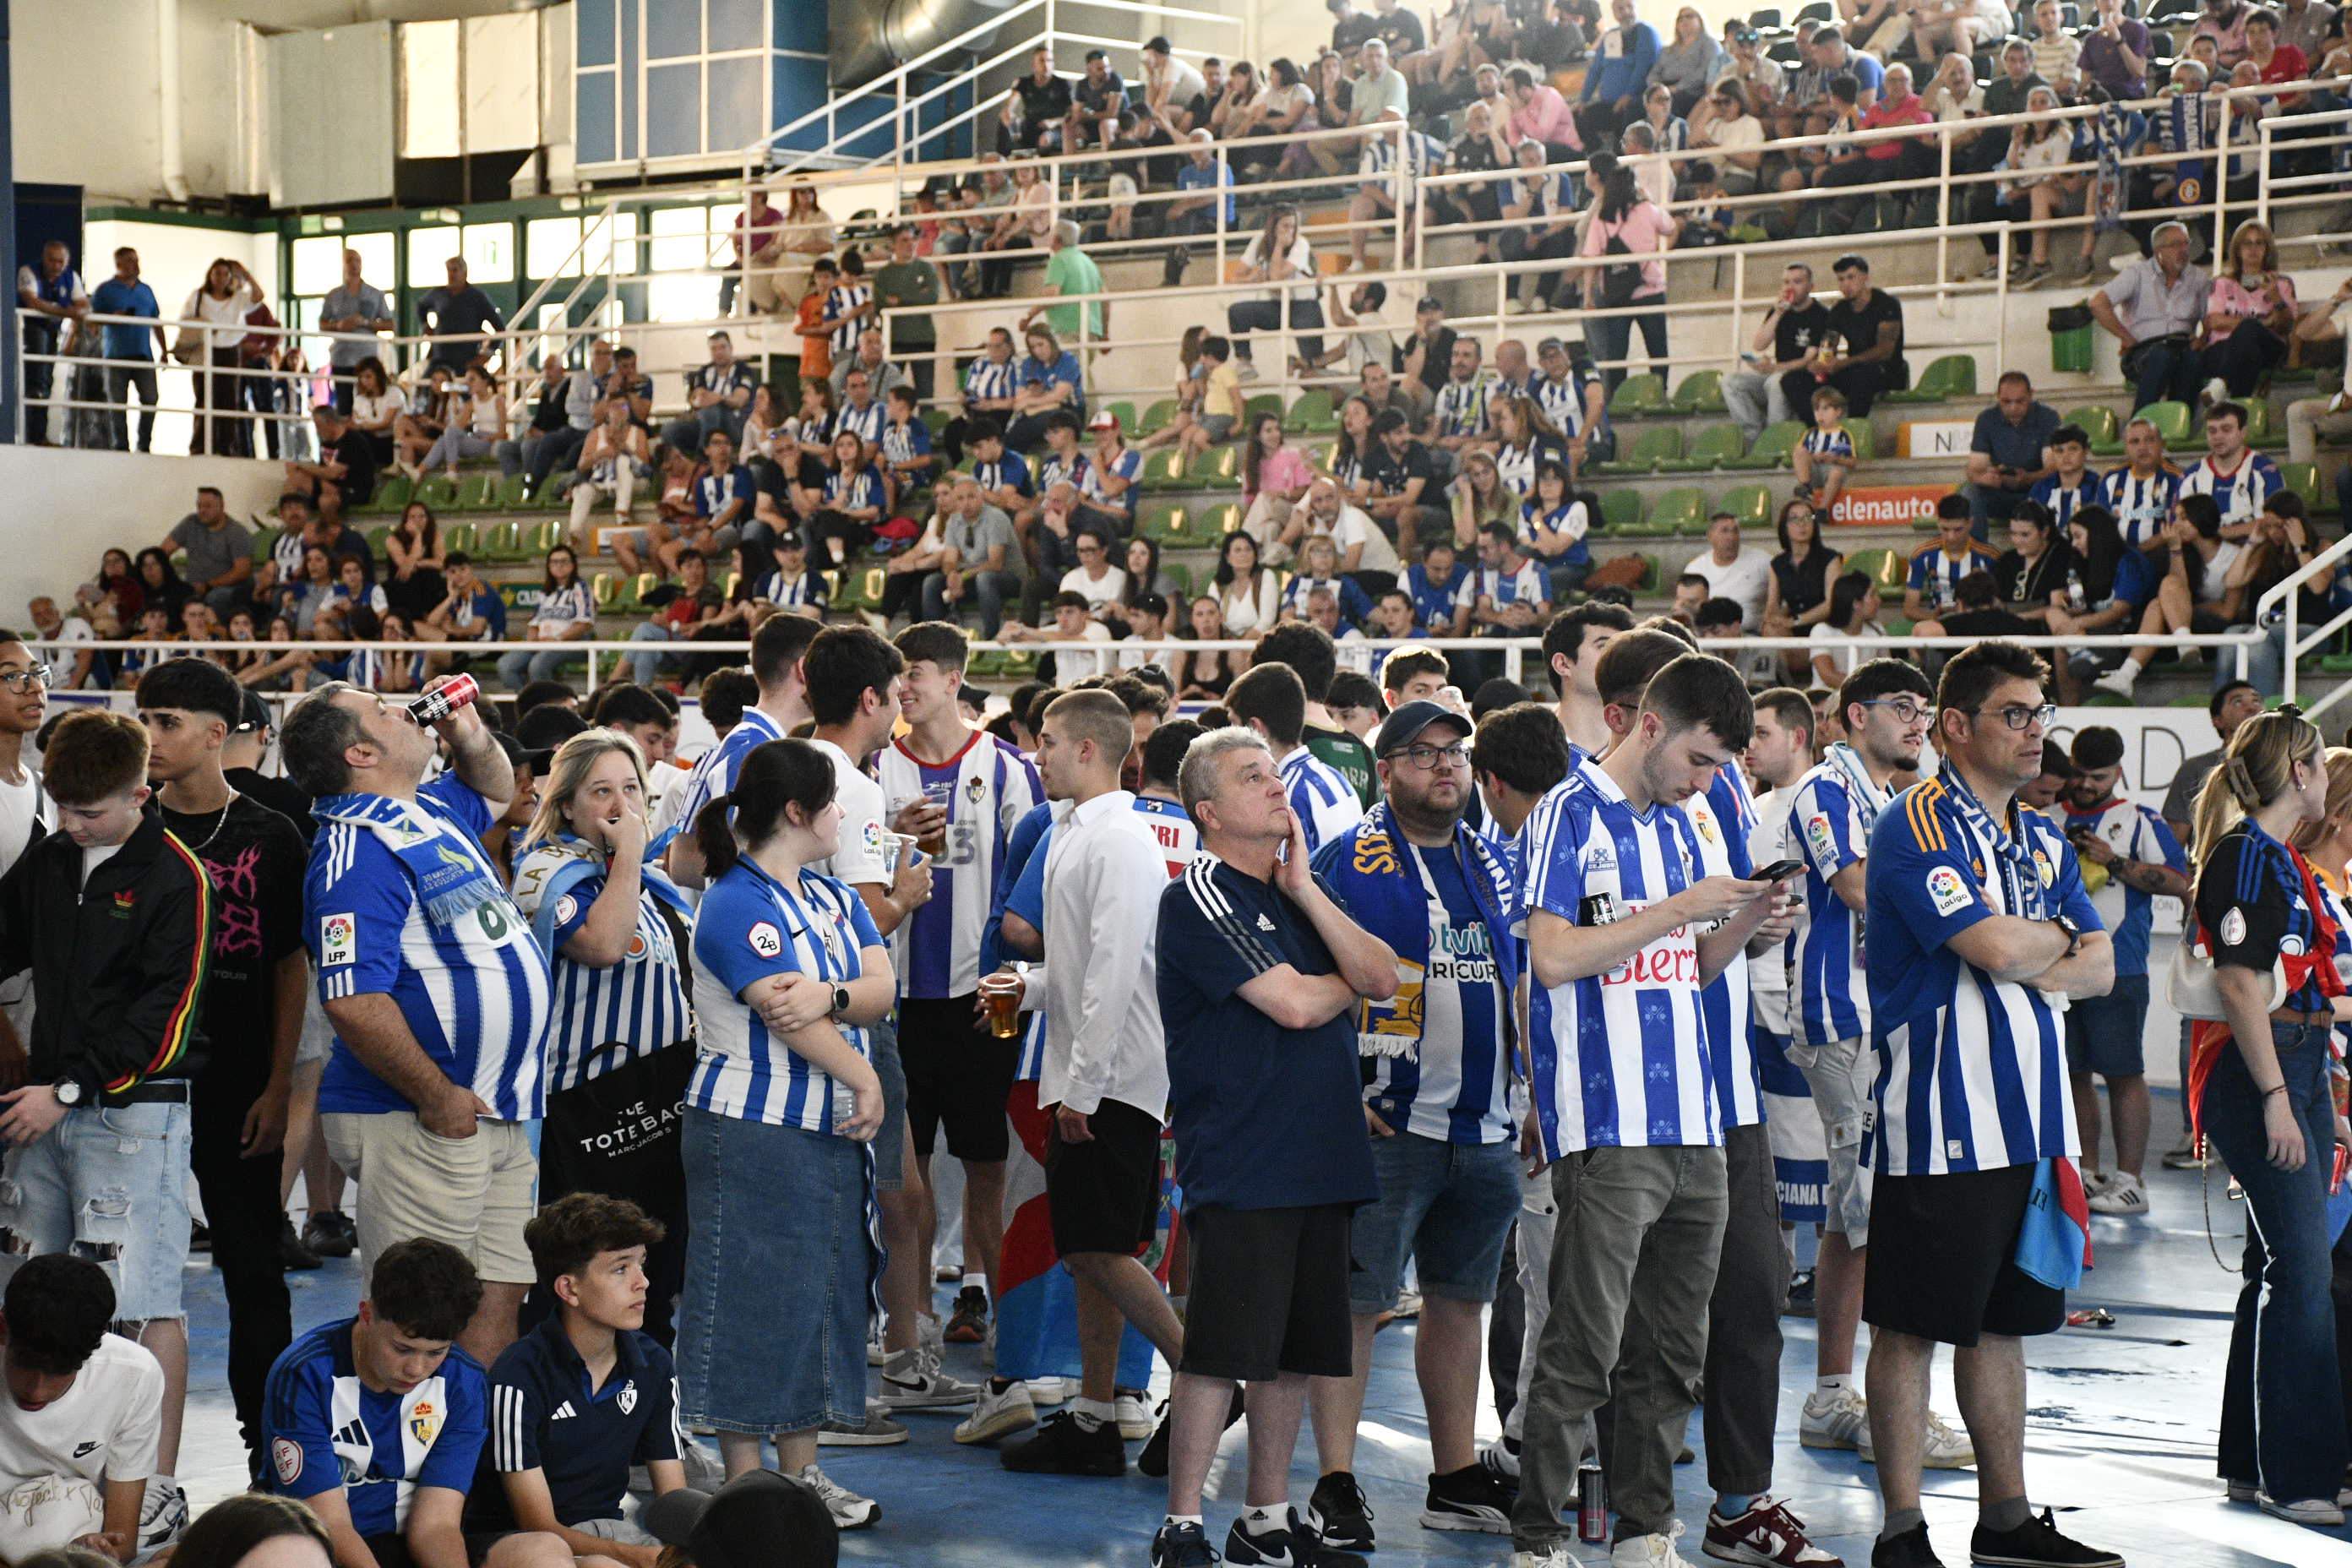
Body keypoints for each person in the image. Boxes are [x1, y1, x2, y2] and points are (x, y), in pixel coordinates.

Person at [1510, 650, 1788, 1568]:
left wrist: (1747, 916)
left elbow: (1697, 965)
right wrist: (1679, 908)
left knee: (1674, 1345)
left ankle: (1643, 1528)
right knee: (1584, 1343)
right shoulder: (1568, 810)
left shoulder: (1692, 820)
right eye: (1703, 760)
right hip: (1609, 1114)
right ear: (1651, 725)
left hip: (1696, 1115)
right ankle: (1540, 1532)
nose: (1709, 782)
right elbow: (1549, 956)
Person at [1862, 640, 2119, 1568]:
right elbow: (2002, 953)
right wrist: (2050, 937)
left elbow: (2102, 965)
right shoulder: (1918, 824)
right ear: (1956, 725)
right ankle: (1901, 1528)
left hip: (2030, 1117)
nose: (2035, 730)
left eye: (2040, 712)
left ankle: (2004, 1518)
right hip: (1941, 1116)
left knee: (2005, 1320)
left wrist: (2038, 940)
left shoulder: (2039, 836)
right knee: (1914, 1322)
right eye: (2016, 712)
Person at [1148, 727, 1398, 1568]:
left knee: (1292, 1353)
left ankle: (1265, 1518)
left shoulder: (1300, 891)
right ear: (1210, 810)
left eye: (1275, 772)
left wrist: (1306, 889)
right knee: (1223, 1346)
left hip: (1321, 1153)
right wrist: (1344, 989)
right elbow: (1296, 1003)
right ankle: (1182, 1522)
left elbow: (1385, 976)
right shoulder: (1200, 894)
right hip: (1249, 1155)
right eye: (1253, 777)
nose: (1275, 786)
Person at [1304, 701, 1523, 1547]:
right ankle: (1335, 1478)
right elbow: (1299, 977)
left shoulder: (1491, 859)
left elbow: (1522, 978)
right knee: (1357, 1306)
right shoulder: (1347, 862)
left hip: (1487, 1123)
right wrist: (1337, 1087)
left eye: (1454, 752)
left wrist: (1530, 1097)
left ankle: (1454, 1472)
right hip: (1389, 1124)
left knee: (1460, 1301)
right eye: (1423, 753)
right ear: (1385, 768)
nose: (1445, 766)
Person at [283, 679, 550, 1366]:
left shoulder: (423, 811)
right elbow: (352, 1000)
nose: (402, 708)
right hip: (423, 1120)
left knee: (498, 1295)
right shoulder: (353, 853)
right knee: (416, 1319)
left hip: (492, 1110)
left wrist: (465, 732)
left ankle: (475, 1463)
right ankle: (399, 1467)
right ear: (362, 753)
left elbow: (493, 787)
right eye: (379, 709)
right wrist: (437, 1095)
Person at [0, 707, 206, 1550]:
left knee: (131, 1299)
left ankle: (143, 1492)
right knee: (23, 1278)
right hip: (43, 1104)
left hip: (134, 1107)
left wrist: (77, 1085)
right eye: (62, 808)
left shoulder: (174, 875)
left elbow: (171, 1012)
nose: (73, 825)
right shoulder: (50, 859)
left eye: (89, 812)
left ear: (139, 790)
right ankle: (27, 1473)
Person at [679, 736, 894, 1529]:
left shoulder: (833, 895)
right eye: (834, 801)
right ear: (799, 813)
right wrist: (864, 1073)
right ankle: (746, 1484)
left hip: (824, 1131)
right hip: (751, 1128)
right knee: (750, 1297)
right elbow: (780, 1009)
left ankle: (800, 1475)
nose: (845, 814)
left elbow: (880, 987)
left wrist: (833, 995)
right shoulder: (736, 899)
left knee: (815, 1298)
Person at [979, 690, 1184, 1476]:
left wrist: (1085, 1089)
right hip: (1089, 1066)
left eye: (1052, 742)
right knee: (1091, 1245)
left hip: (1114, 1076)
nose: (1039, 753)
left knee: (1099, 1248)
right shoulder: (1075, 832)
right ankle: (1097, 1416)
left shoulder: (1121, 841)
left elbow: (1116, 966)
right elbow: (1079, 963)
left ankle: (1204, 1377)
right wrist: (1026, 987)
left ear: (1092, 750)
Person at [1781, 660, 1977, 1473]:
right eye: (1903, 708)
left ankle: (1836, 1396)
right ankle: (1855, 1399)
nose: (1919, 723)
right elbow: (1858, 887)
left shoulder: (1896, 798)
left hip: (1884, 1023)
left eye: (1925, 710)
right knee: (1867, 1215)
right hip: (1843, 1022)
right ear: (1852, 716)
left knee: (1853, 1215)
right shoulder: (1827, 792)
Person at [133, 661, 305, 1501]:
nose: (151, 738)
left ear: (215, 730)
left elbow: (288, 964)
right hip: (142, 1083)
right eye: (144, 720)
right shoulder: (127, 828)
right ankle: (130, 1468)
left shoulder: (271, 834)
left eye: (167, 721)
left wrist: (279, 1082)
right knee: (133, 1275)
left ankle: (267, 1455)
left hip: (237, 1078)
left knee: (253, 1268)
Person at [2179, 705, 2350, 1524]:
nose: (2326, 777)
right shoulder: (2247, 855)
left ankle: (2251, 1460)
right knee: (2303, 1270)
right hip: (2268, 1067)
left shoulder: (2272, 856)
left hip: (2300, 1062)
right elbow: (2242, 980)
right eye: (2318, 763)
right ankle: (2301, 1470)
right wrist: (2280, 1094)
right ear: (2299, 771)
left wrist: (2318, 1093)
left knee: (2275, 1265)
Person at [876, 623, 1043, 1358]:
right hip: (900, 995)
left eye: (914, 673)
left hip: (982, 999)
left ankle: (984, 1295)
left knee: (985, 1159)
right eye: (898, 675)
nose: (903, 686)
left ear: (953, 680)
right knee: (906, 1168)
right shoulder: (876, 770)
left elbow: (1034, 880)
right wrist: (889, 835)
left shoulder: (1007, 768)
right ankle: (911, 1321)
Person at [507, 732, 694, 1347]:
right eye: (602, 791)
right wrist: (631, 858)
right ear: (566, 805)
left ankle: (650, 1431)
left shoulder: (649, 879)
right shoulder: (547, 872)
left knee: (652, 1283)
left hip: (659, 1108)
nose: (620, 804)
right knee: (583, 1281)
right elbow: (605, 947)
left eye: (632, 789)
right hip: (586, 1114)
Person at [262, 1238, 570, 1568]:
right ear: (367, 1315)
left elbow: (437, 1526)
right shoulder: (305, 1374)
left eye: (436, 1352)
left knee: (544, 1552)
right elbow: (330, 1526)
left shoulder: (464, 1383)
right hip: (323, 1548)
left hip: (413, 1545)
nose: (416, 1369)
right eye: (402, 1349)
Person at [470, 1194, 689, 1554]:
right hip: (523, 1544)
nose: (642, 1282)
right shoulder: (518, 1376)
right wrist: (642, 1560)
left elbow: (674, 1502)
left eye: (641, 1264)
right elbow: (537, 1524)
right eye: (621, 1268)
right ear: (569, 1289)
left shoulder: (655, 1365)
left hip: (611, 1532)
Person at [2055, 727, 2188, 1221]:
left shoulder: (2137, 819)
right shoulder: (2048, 812)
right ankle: (2087, 1172)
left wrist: (2116, 862)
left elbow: (2179, 883)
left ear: (2119, 771)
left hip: (2120, 965)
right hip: (2057, 966)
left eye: (2098, 776)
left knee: (2125, 1071)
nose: (2086, 785)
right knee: (2072, 1073)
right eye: (2080, 774)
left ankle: (2132, 1181)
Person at [1225, 662, 1364, 860]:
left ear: (1255, 728)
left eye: (1234, 724)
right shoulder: (1337, 778)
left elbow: (1284, 886)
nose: (1230, 737)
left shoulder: (1282, 795)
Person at [2088, 221, 2208, 415]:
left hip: (2183, 345)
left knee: (2193, 360)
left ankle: (2179, 421)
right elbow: (2098, 304)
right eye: (2176, 244)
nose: (2183, 250)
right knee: (2162, 355)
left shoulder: (2199, 278)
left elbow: (2209, 318)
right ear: (2158, 250)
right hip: (2143, 350)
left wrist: (2202, 340)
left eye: (2186, 243)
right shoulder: (2137, 274)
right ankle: (2139, 420)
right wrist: (2126, 338)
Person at [1579, 162, 1678, 396]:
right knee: (1658, 349)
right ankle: (1660, 394)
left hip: (1616, 293)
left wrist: (1587, 297)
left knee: (1616, 354)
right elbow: (1671, 227)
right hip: (1650, 288)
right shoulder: (1647, 210)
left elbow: (1591, 260)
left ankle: (1616, 399)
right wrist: (1658, 252)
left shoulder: (1601, 219)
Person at [1725, 264, 1829, 440]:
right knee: (1731, 382)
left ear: (1811, 287)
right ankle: (1755, 435)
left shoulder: (1821, 315)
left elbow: (1808, 360)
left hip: (1802, 376)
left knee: (1776, 382)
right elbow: (1759, 344)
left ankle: (1776, 437)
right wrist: (1778, 313)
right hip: (1777, 371)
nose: (1790, 287)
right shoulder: (1779, 311)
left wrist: (1773, 367)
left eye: (1797, 282)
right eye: (1786, 282)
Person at [2200, 219, 2298, 403]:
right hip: (2224, 349)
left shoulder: (2282, 283)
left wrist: (2276, 299)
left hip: (2268, 348)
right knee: (2247, 345)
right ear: (2237, 249)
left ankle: (2222, 383)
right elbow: (2214, 321)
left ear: (2267, 249)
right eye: (2247, 243)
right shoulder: (2222, 282)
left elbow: (2288, 326)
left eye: (2259, 243)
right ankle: (2238, 405)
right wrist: (2262, 323)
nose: (2253, 249)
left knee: (2249, 334)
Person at [88, 247, 163, 454]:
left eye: (137, 260)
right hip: (116, 355)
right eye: (130, 261)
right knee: (117, 403)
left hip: (143, 355)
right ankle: (120, 446)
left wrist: (164, 350)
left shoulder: (146, 290)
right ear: (119, 264)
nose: (136, 265)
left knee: (150, 399)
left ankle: (144, 445)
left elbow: (156, 321)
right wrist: (113, 316)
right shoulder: (104, 290)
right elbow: (91, 321)